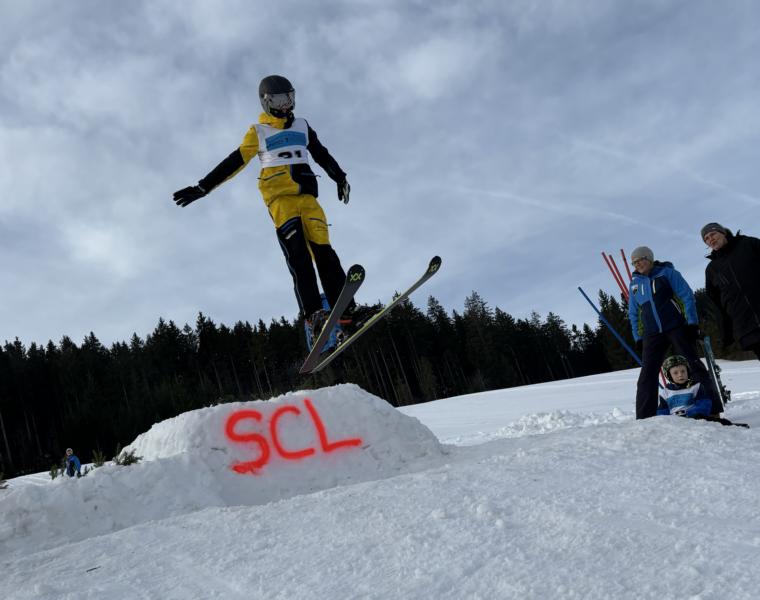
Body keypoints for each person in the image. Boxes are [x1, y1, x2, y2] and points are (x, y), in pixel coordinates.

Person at [173, 75, 371, 340]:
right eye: (279, 100)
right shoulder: (259, 132)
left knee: (326, 254)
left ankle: (347, 313)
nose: (286, 104)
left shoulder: (302, 126)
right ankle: (314, 315)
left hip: (308, 200)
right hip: (280, 201)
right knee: (299, 256)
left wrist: (340, 177)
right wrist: (203, 187)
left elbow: (321, 153)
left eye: (290, 97)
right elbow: (234, 161)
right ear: (266, 102)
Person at [628, 246, 720, 419]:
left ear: (649, 258)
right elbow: (633, 313)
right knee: (647, 375)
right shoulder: (634, 284)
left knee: (694, 365)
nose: (638, 264)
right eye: (634, 262)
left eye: (641, 260)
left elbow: (686, 295)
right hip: (651, 333)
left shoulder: (667, 273)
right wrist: (637, 336)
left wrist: (692, 323)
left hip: (675, 326)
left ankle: (712, 409)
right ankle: (645, 418)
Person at [702, 223, 760, 361]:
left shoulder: (747, 244)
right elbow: (717, 303)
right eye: (706, 238)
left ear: (723, 232)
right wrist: (726, 334)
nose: (710, 239)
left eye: (713, 234)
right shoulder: (711, 269)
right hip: (747, 327)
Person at [658, 355, 749, 428]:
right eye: (675, 373)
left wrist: (693, 413)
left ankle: (730, 427)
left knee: (716, 422)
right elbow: (662, 411)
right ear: (669, 375)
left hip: (695, 417)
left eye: (683, 371)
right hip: (676, 422)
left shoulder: (696, 387)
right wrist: (667, 420)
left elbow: (704, 403)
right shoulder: (666, 392)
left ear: (688, 371)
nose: (680, 375)